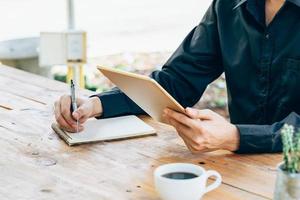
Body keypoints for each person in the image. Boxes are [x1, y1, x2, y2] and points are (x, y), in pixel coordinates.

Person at [54, 0, 300, 153]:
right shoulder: (226, 6)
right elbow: (179, 80)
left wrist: (236, 138)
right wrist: (97, 104)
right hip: (239, 165)